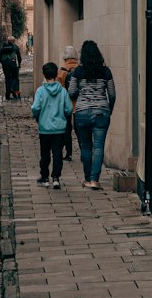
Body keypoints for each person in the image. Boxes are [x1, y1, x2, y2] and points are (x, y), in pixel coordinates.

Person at [66, 38, 115, 189]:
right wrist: (108, 109)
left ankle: (87, 179)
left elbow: (71, 92)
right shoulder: (106, 71)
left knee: (86, 146)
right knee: (99, 146)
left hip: (81, 113)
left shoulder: (78, 72)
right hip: (101, 112)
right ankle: (95, 180)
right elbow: (112, 94)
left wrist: (81, 94)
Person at [31, 61, 72, 188]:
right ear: (56, 74)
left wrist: (38, 117)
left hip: (45, 128)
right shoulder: (63, 91)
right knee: (57, 153)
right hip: (59, 128)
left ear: (44, 75)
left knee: (45, 153)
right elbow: (69, 109)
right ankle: (56, 177)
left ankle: (44, 177)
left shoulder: (40, 91)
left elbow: (35, 107)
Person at [57, 45, 79, 162]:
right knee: (80, 130)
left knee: (67, 130)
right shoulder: (81, 69)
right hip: (79, 104)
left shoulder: (61, 72)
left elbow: (59, 91)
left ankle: (68, 154)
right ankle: (84, 152)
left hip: (65, 105)